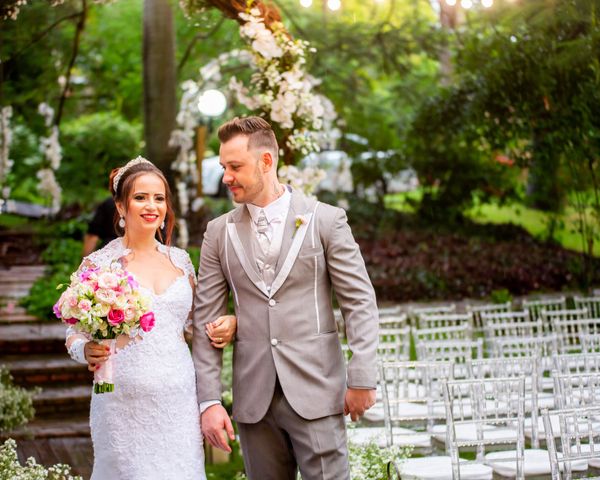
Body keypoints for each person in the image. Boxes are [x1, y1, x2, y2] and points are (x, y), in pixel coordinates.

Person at [192, 117, 379, 479]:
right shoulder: (218, 233)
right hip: (253, 400)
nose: (226, 177)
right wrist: (210, 400)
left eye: (235, 167)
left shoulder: (325, 220)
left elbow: (359, 302)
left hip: (317, 390)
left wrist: (362, 377)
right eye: (223, 167)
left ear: (266, 162)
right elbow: (206, 320)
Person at [64, 157, 237, 479]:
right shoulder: (98, 265)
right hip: (121, 399)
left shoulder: (181, 261)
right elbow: (73, 333)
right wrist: (85, 351)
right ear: (120, 206)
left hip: (178, 398)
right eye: (140, 197)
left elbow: (194, 327)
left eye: (159, 198)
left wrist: (229, 323)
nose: (151, 206)